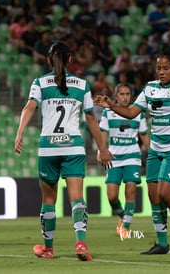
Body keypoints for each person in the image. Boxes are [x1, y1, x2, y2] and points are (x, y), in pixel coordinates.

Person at [94, 48, 170, 255]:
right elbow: (132, 112)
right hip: (155, 150)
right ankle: (163, 243)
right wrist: (111, 105)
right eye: (158, 68)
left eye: (165, 68)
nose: (161, 72)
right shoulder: (150, 88)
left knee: (165, 193)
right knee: (153, 195)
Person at [14, 42, 112, 261]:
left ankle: (49, 248)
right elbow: (90, 118)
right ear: (70, 60)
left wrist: (19, 133)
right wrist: (102, 148)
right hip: (73, 146)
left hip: (48, 147)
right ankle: (81, 244)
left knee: (49, 199)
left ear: (48, 60)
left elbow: (29, 107)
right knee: (77, 198)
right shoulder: (82, 84)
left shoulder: (40, 82)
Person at [99, 83, 150, 239]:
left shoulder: (138, 114)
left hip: (132, 156)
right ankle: (122, 215)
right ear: (116, 96)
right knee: (112, 196)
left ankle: (125, 227)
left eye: (128, 94)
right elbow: (103, 134)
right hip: (114, 157)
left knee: (131, 192)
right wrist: (102, 151)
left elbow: (145, 137)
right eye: (121, 94)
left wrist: (155, 154)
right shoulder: (108, 112)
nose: (125, 96)